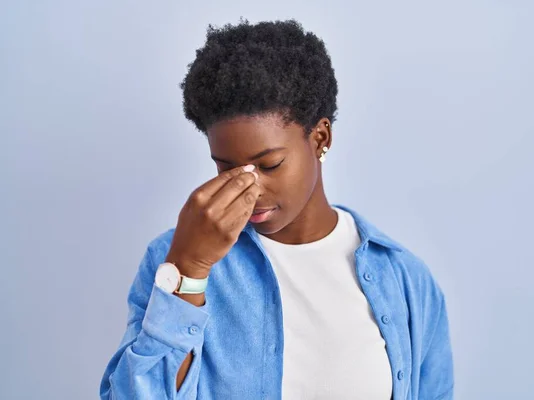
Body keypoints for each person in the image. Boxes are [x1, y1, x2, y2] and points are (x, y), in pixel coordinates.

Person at [99, 19, 453, 400]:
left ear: (320, 138)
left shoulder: (404, 280)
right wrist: (190, 271)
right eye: (226, 168)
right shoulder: (174, 261)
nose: (249, 188)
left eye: (269, 165)